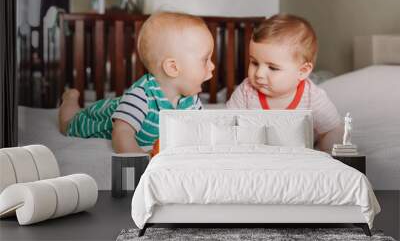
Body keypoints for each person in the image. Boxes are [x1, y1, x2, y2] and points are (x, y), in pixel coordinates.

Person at [58, 12, 215, 155]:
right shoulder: (141, 96)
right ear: (173, 67)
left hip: (124, 106)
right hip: (99, 118)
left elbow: (201, 130)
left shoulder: (190, 99)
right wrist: (142, 158)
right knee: (68, 124)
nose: (212, 66)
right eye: (205, 60)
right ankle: (69, 99)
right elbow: (121, 134)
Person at [226, 14, 342, 152]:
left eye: (272, 68)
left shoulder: (312, 97)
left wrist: (328, 154)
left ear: (303, 71)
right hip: (257, 155)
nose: (258, 74)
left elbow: (332, 130)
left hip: (300, 157)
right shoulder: (246, 91)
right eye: (254, 63)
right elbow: (226, 124)